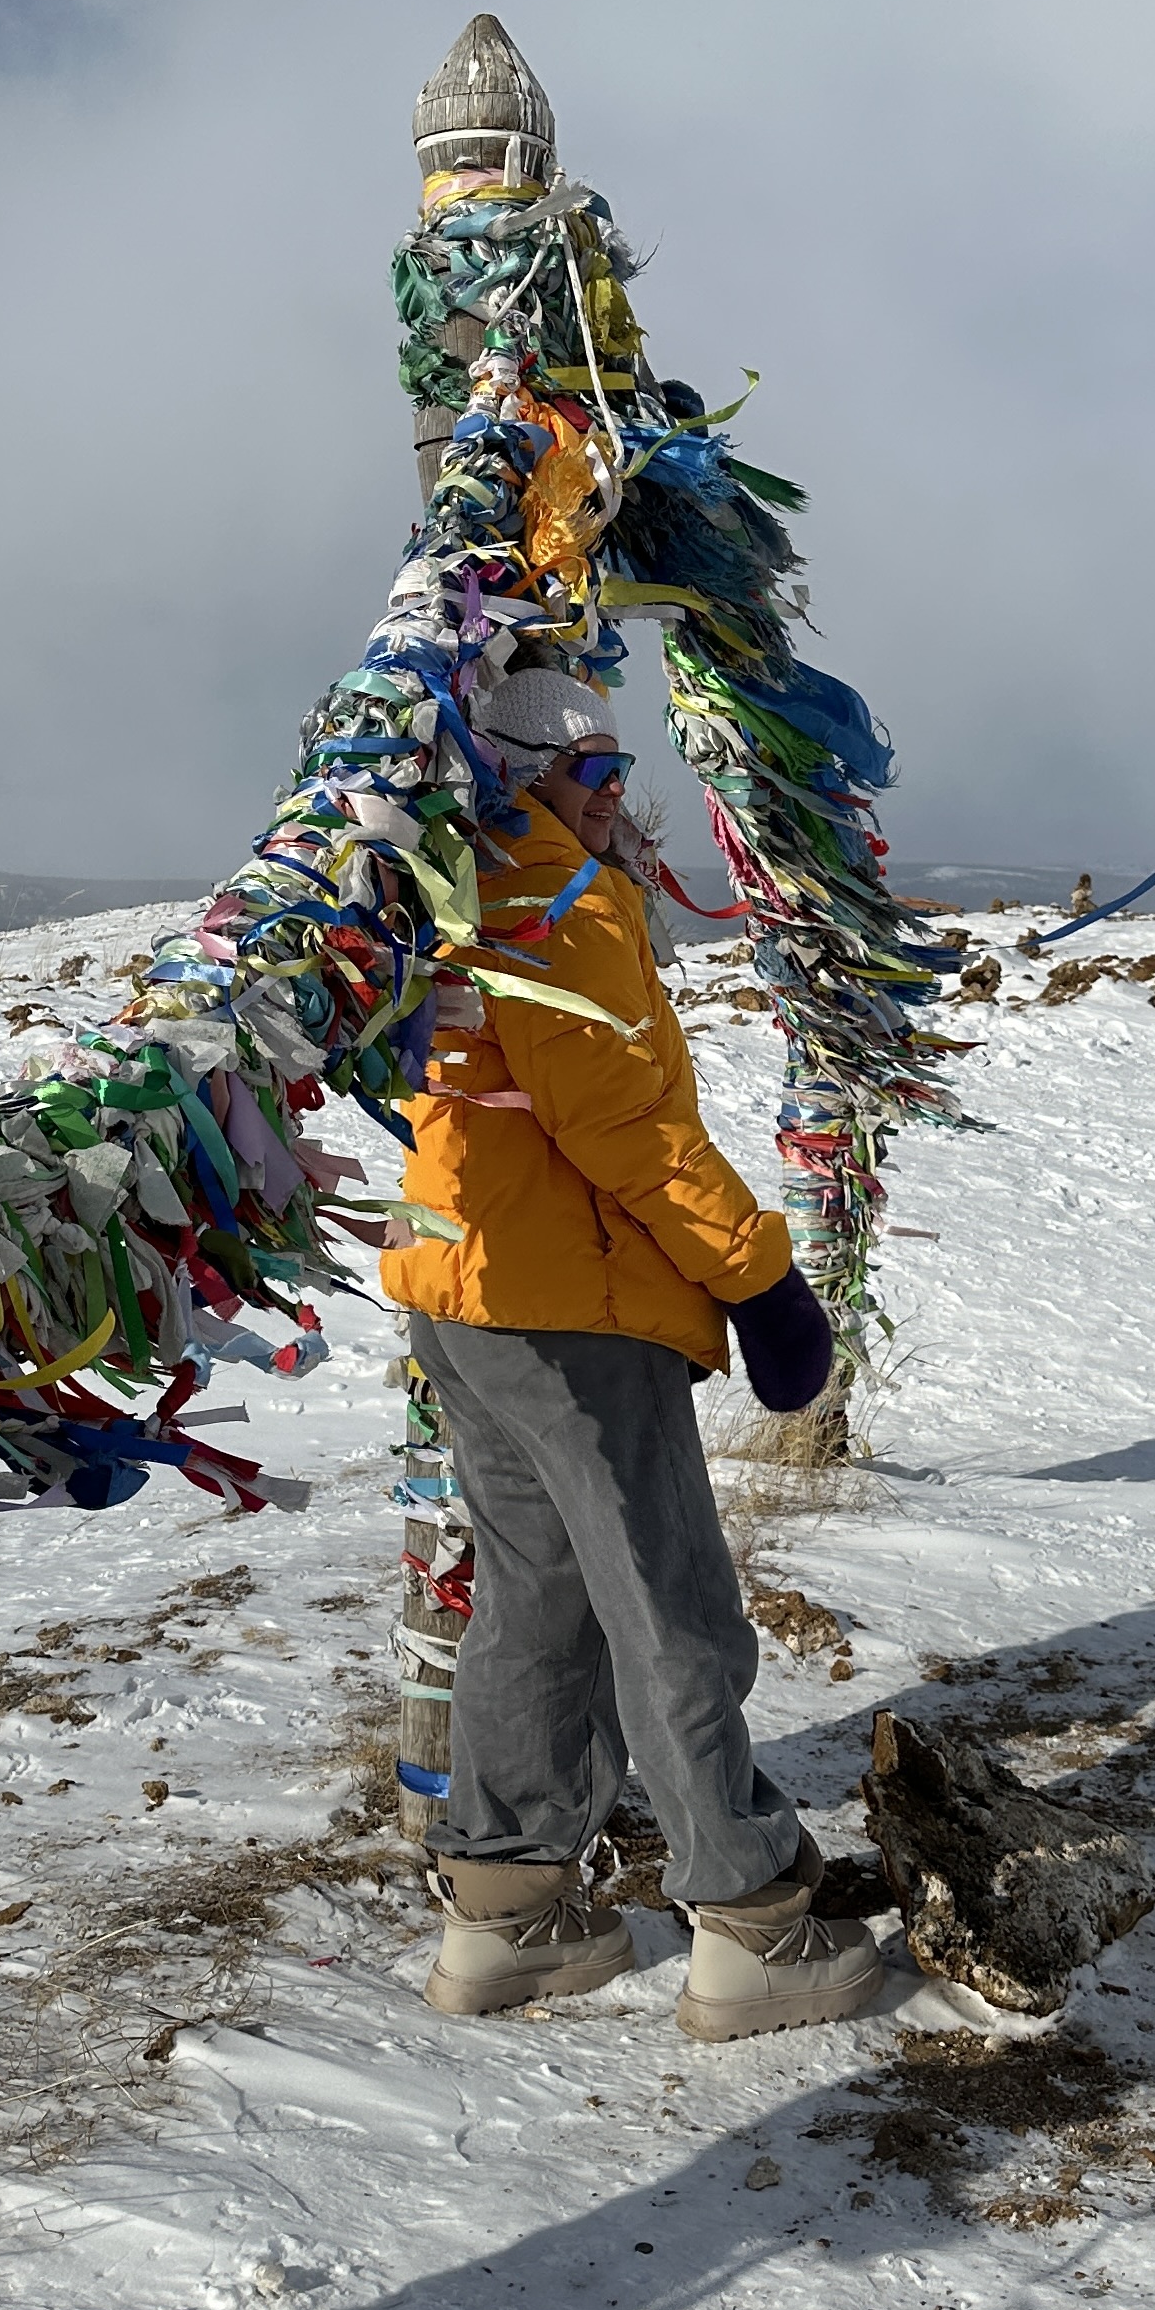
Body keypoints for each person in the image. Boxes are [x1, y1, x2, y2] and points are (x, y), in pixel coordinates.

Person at [378, 662, 882, 2044]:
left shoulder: (446, 882)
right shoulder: (559, 903)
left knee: (536, 1596)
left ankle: (508, 1908)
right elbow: (628, 1131)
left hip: (465, 1299)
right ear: (528, 774)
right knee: (670, 1606)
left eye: (616, 775)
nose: (612, 800)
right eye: (589, 775)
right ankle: (753, 1922)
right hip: (572, 1310)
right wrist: (762, 1279)